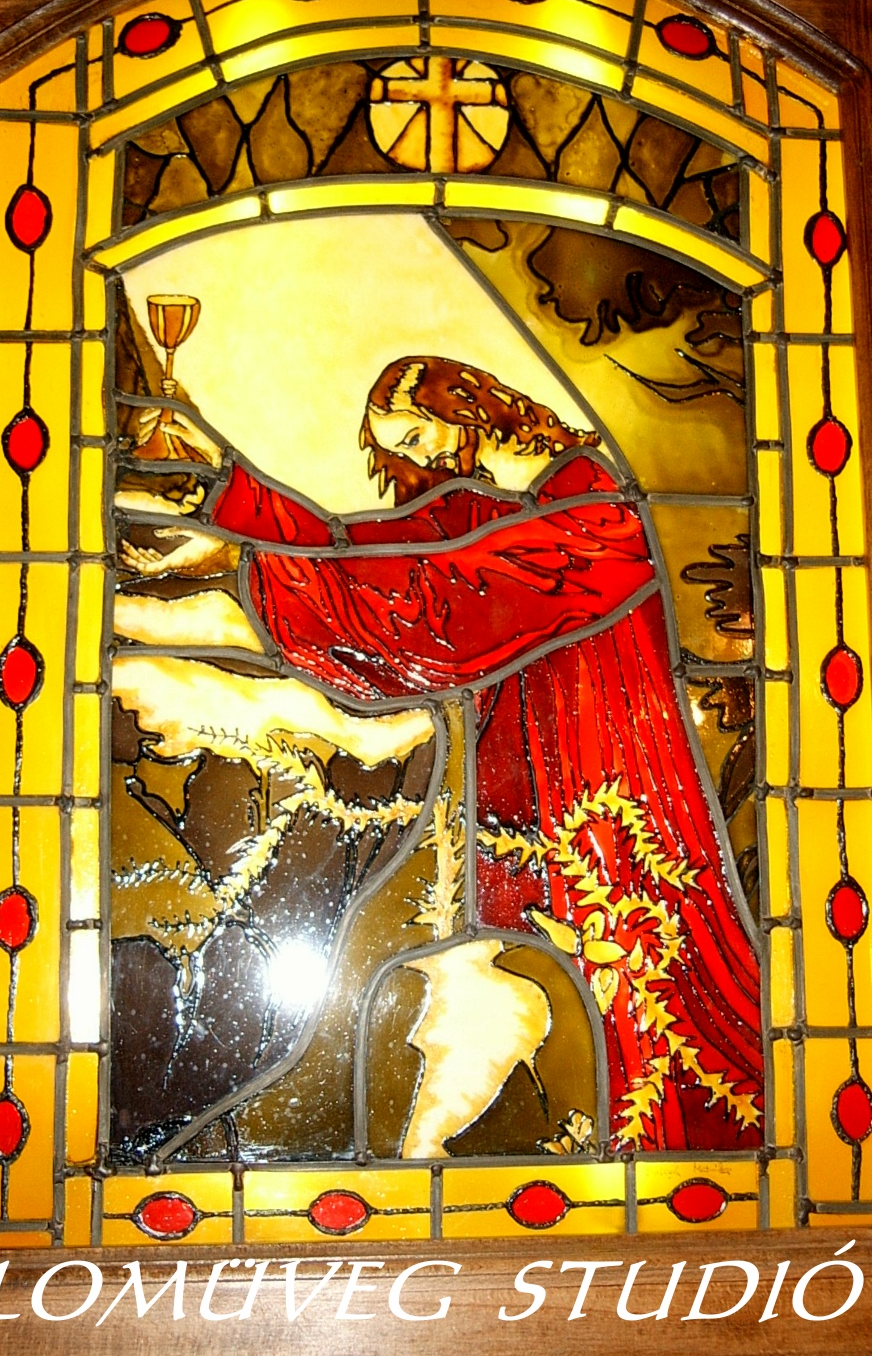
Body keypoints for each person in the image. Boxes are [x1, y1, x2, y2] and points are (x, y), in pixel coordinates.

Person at [117, 356, 763, 1151]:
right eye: (401, 450)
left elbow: (440, 607)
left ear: (471, 410)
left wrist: (242, 572)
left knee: (642, 1020)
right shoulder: (481, 510)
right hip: (505, 820)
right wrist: (226, 491)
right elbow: (356, 550)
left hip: (603, 821)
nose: (416, 463)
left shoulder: (598, 522)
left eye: (420, 438)